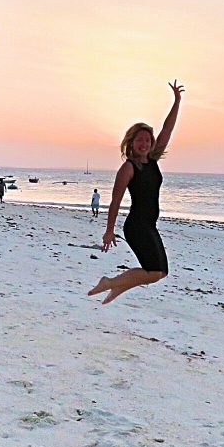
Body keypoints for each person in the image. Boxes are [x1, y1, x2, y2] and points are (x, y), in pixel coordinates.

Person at [87, 80, 183, 304]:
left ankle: (116, 286)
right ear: (131, 143)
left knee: (161, 272)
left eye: (148, 139)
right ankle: (110, 283)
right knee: (155, 272)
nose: (144, 143)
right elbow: (115, 201)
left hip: (149, 225)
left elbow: (167, 129)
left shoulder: (152, 160)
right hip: (136, 226)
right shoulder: (128, 168)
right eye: (140, 139)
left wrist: (177, 101)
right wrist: (109, 231)